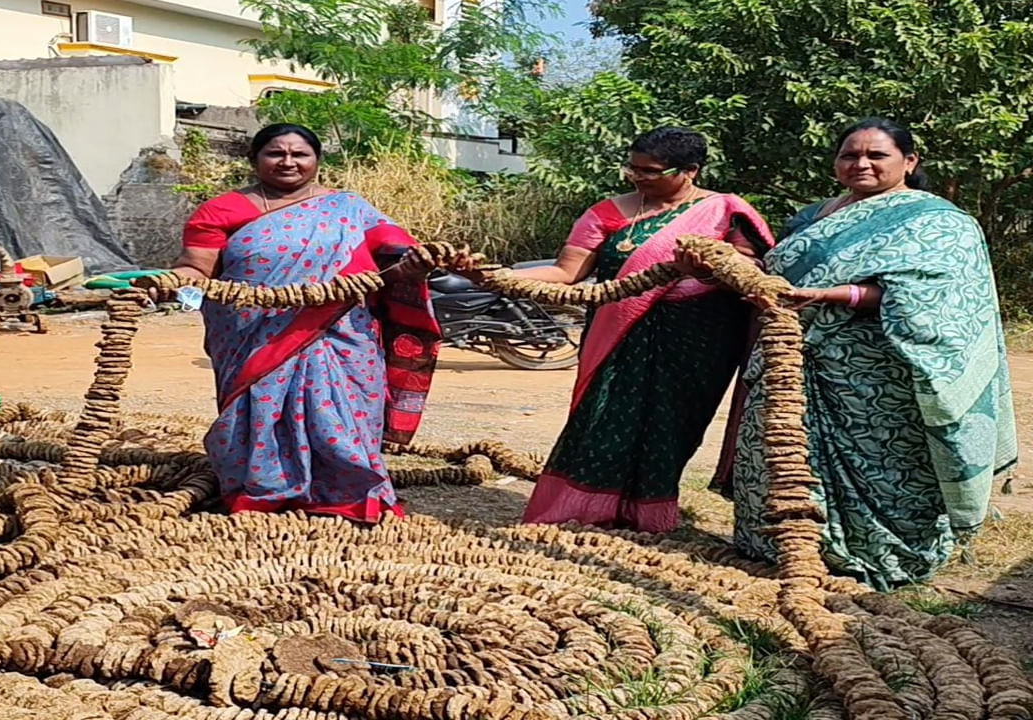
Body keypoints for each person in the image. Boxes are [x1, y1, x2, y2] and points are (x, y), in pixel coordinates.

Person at [704, 118, 1016, 591]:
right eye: (850, 155)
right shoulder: (812, 217)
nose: (861, 164)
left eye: (877, 155)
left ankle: (879, 552)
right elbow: (775, 272)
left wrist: (835, 295)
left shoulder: (939, 223)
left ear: (909, 162)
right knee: (783, 451)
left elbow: (934, 300)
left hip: (876, 371)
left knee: (883, 461)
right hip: (790, 359)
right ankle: (780, 543)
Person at [164, 123, 473, 522]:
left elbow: (396, 249)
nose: (288, 162)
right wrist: (172, 282)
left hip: (341, 330)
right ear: (255, 160)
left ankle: (348, 493)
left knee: (345, 408)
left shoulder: (350, 208)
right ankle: (264, 491)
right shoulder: (222, 210)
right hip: (253, 334)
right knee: (260, 408)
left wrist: (423, 260)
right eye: (276, 153)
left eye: (300, 154)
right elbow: (196, 266)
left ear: (316, 161)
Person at [514, 127, 775, 533]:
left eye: (651, 171)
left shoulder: (726, 211)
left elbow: (753, 274)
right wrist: (500, 278)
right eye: (632, 169)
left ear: (690, 170)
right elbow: (567, 272)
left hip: (699, 341)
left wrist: (708, 269)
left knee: (673, 427)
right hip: (618, 333)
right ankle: (580, 510)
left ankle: (646, 514)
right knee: (599, 420)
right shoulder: (607, 213)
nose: (638, 178)